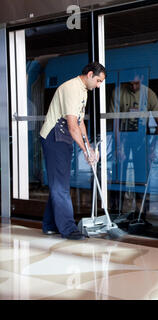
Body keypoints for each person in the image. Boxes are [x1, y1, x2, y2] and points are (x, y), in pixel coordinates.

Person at [40, 62, 107, 240]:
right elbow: (71, 125)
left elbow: (80, 122)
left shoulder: (83, 90)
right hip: (55, 137)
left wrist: (89, 148)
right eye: (99, 81)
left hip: (63, 138)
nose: (99, 85)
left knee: (59, 182)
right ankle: (68, 229)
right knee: (61, 186)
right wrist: (85, 151)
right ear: (90, 74)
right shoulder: (71, 88)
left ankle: (49, 224)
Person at [109, 74, 158, 221]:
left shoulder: (149, 94)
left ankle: (141, 215)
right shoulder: (118, 92)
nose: (133, 87)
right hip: (123, 137)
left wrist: (152, 148)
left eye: (137, 84)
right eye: (131, 84)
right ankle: (115, 212)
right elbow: (114, 123)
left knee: (142, 177)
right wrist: (118, 146)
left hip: (142, 139)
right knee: (118, 175)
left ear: (142, 79)